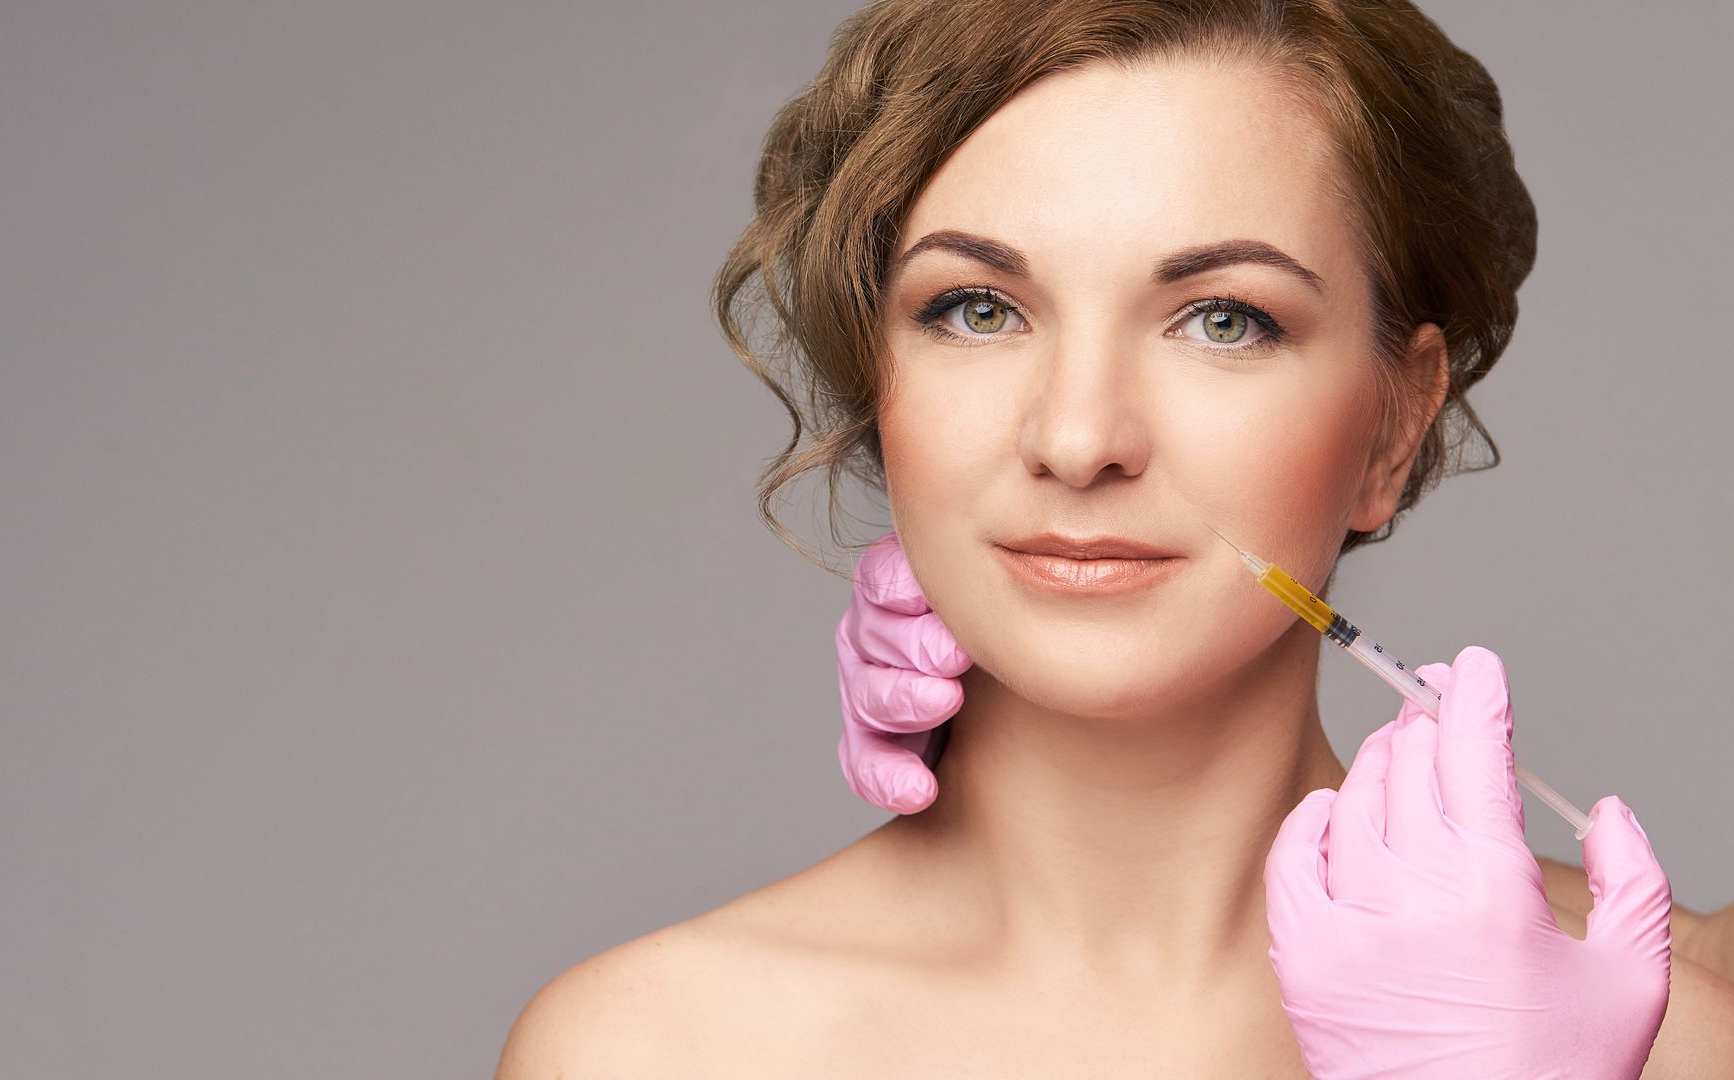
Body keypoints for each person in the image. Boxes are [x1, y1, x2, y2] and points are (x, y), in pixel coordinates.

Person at [499, 1, 1734, 1074]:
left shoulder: (1663, 1033)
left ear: (1393, 428)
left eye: (1223, 321)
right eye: (977, 309)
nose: (1080, 436)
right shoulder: (649, 1052)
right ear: (877, 382)